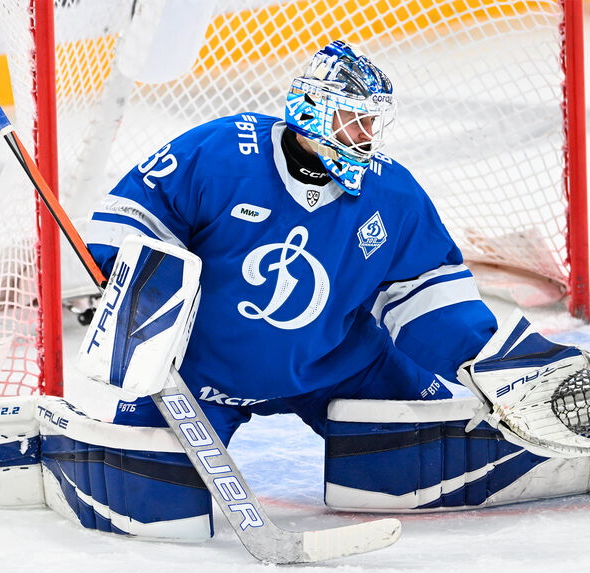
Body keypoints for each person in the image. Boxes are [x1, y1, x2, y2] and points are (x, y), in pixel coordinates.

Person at [86, 40, 497, 445]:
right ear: (311, 109)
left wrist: (488, 362)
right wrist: (125, 274)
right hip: (196, 377)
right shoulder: (220, 154)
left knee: (444, 444)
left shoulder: (391, 192)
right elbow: (135, 217)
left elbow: (427, 289)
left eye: (372, 122)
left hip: (340, 366)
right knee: (143, 480)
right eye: (355, 119)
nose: (367, 136)